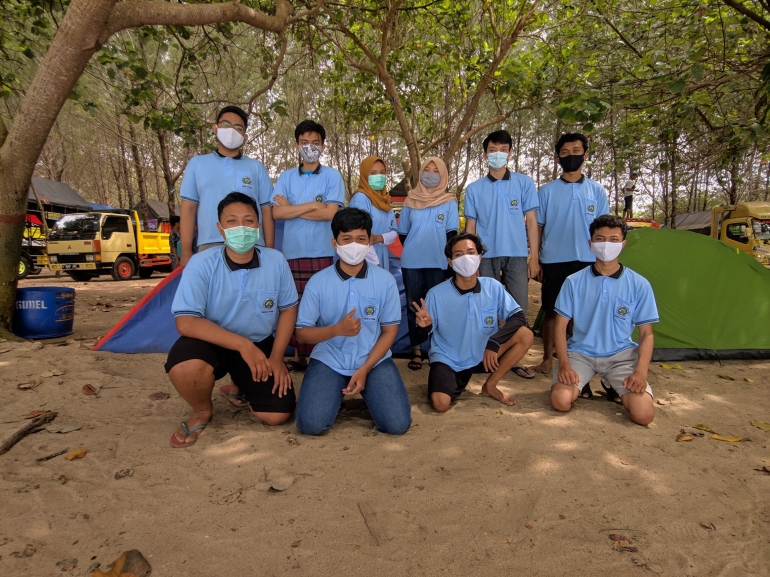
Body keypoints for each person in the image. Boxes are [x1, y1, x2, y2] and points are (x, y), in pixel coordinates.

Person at [165, 192, 298, 448]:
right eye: (232, 221)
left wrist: (277, 357)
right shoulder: (201, 264)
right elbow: (185, 322)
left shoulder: (275, 261)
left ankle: (238, 385)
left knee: (277, 414)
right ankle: (202, 410)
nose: (241, 228)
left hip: (258, 343)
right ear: (220, 228)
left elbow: (288, 309)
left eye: (249, 221)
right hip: (212, 343)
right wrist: (242, 345)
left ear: (258, 225)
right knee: (186, 368)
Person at [294, 208, 411, 436]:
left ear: (369, 242)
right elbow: (302, 333)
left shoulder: (385, 280)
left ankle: (367, 392)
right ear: (334, 242)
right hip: (330, 359)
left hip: (373, 360)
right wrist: (336, 330)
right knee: (311, 425)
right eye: (346, 239)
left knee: (396, 425)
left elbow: (389, 331)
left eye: (361, 239)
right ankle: (336, 395)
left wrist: (366, 368)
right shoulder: (318, 282)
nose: (354, 245)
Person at [550, 215, 658, 425]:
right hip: (580, 354)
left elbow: (646, 333)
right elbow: (560, 327)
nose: (606, 245)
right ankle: (584, 380)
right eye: (600, 239)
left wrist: (640, 373)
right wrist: (564, 365)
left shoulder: (639, 284)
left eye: (613, 239)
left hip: (622, 357)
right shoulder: (573, 282)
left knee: (644, 415)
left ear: (623, 244)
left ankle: (611, 383)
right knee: (560, 401)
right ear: (590, 244)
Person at [413, 233, 534, 412]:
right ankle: (449, 381)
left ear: (479, 257)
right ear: (450, 262)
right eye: (458, 255)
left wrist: (494, 342)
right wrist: (424, 327)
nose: (466, 258)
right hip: (449, 359)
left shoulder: (492, 286)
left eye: (471, 252)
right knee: (440, 404)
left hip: (486, 355)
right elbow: (420, 335)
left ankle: (490, 385)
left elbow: (518, 317)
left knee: (525, 334)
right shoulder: (436, 294)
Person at [464, 130, 539, 379]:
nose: (498, 154)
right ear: (485, 154)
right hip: (486, 256)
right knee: (487, 308)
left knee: (517, 307)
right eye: (493, 149)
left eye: (503, 149)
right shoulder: (474, 189)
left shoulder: (524, 183)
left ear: (510, 152)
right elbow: (470, 227)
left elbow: (531, 223)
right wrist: (471, 259)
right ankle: (488, 357)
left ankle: (515, 359)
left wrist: (534, 258)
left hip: (517, 253)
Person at [534, 133, 610, 378]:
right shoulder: (546, 192)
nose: (571, 156)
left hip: (588, 260)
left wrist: (604, 258)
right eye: (565, 153)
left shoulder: (597, 191)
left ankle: (579, 357)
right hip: (554, 259)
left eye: (576, 151)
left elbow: (604, 229)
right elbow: (538, 227)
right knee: (552, 311)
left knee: (582, 312)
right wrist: (534, 258)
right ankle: (547, 357)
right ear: (558, 158)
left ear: (585, 155)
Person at [272, 120, 345, 371]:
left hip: (323, 251)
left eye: (315, 143)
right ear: (296, 145)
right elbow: (276, 214)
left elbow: (331, 214)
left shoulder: (333, 176)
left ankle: (320, 355)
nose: (310, 147)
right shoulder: (285, 177)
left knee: (321, 305)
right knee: (294, 304)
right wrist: (314, 205)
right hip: (292, 253)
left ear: (323, 147)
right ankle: (298, 355)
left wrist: (292, 208)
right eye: (304, 143)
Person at [179, 105, 275, 266]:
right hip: (210, 244)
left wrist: (270, 251)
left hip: (250, 244)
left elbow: (267, 211)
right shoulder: (197, 164)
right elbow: (188, 209)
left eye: (238, 128)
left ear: (244, 137)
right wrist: (187, 251)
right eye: (226, 125)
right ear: (215, 129)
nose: (231, 130)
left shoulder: (256, 168)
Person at [397, 157, 459, 371]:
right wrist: (416, 247)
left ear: (443, 176)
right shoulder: (410, 200)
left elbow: (452, 233)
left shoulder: (449, 200)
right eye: (427, 169)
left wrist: (448, 257)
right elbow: (403, 234)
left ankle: (436, 349)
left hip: (439, 262)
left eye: (436, 171)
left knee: (437, 305)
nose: (430, 173)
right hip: (411, 261)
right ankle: (416, 349)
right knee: (414, 304)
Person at [348, 155, 398, 269]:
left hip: (382, 254)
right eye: (373, 173)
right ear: (365, 175)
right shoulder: (361, 198)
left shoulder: (385, 200)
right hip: (365, 257)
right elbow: (361, 235)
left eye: (382, 172)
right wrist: (376, 264)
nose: (379, 177)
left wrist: (378, 238)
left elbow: (394, 232)